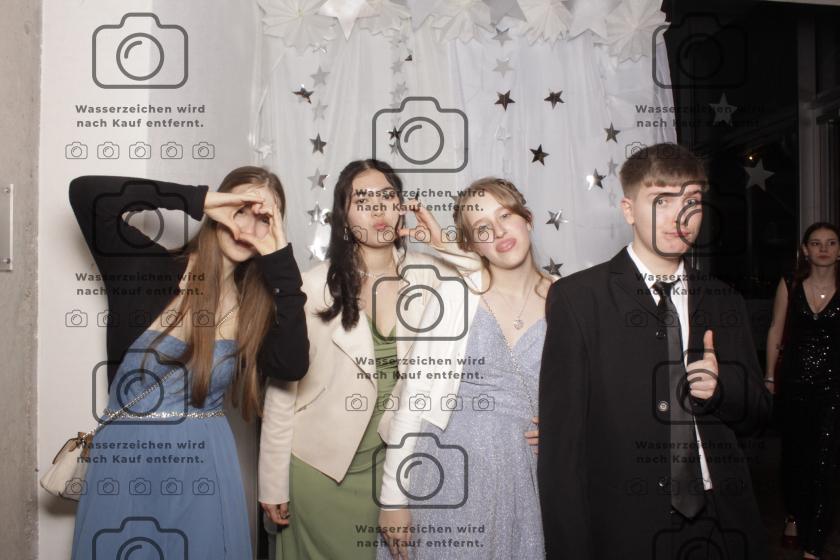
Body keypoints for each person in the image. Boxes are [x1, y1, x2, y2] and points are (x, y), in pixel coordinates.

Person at [538, 143, 772, 559]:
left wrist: (722, 388)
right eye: (661, 200)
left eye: (692, 201)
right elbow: (561, 453)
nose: (681, 218)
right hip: (626, 528)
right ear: (629, 210)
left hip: (720, 520)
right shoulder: (578, 299)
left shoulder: (725, 300)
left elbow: (759, 416)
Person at [68, 167, 309, 559]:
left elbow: (292, 366)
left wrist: (281, 262)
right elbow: (88, 194)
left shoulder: (256, 308)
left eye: (264, 218)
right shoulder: (148, 270)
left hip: (205, 465)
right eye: (240, 209)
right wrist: (201, 199)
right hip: (126, 462)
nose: (247, 226)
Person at [257, 159, 481, 560]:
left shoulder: (431, 274)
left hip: (399, 467)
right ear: (343, 217)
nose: (378, 208)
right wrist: (272, 482)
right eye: (363, 201)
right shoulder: (311, 286)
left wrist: (441, 242)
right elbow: (281, 391)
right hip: (320, 470)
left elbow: (488, 279)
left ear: (401, 206)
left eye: (387, 197)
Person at [376, 177, 555, 560]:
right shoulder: (456, 295)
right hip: (447, 469)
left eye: (505, 216)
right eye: (482, 228)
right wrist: (393, 499)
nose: (499, 232)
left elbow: (589, 393)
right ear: (472, 245)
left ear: (528, 219)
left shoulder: (568, 298)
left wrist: (561, 428)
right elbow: (415, 397)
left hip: (526, 480)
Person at [766, 222, 840, 559]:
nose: (824, 249)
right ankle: (794, 514)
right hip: (794, 384)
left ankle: (814, 545)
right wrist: (770, 377)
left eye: (831, 242)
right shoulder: (790, 283)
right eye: (816, 243)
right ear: (805, 250)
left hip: (834, 388)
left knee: (826, 462)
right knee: (795, 459)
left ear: (839, 250)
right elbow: (775, 329)